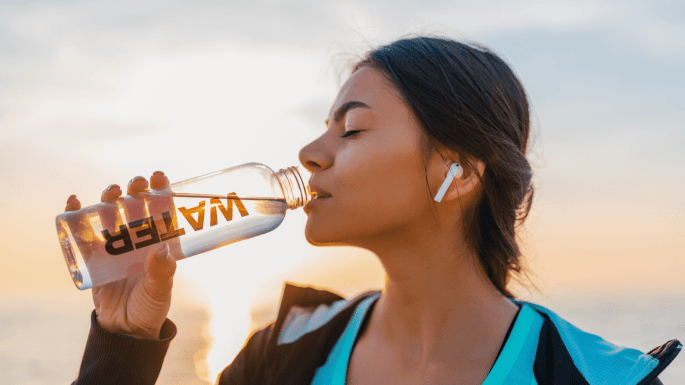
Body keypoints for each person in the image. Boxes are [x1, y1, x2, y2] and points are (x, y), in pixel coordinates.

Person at [67, 36, 680, 384]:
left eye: (352, 130)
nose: (309, 154)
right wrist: (123, 344)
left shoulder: (599, 380)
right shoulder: (283, 355)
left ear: (456, 169)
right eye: (322, 128)